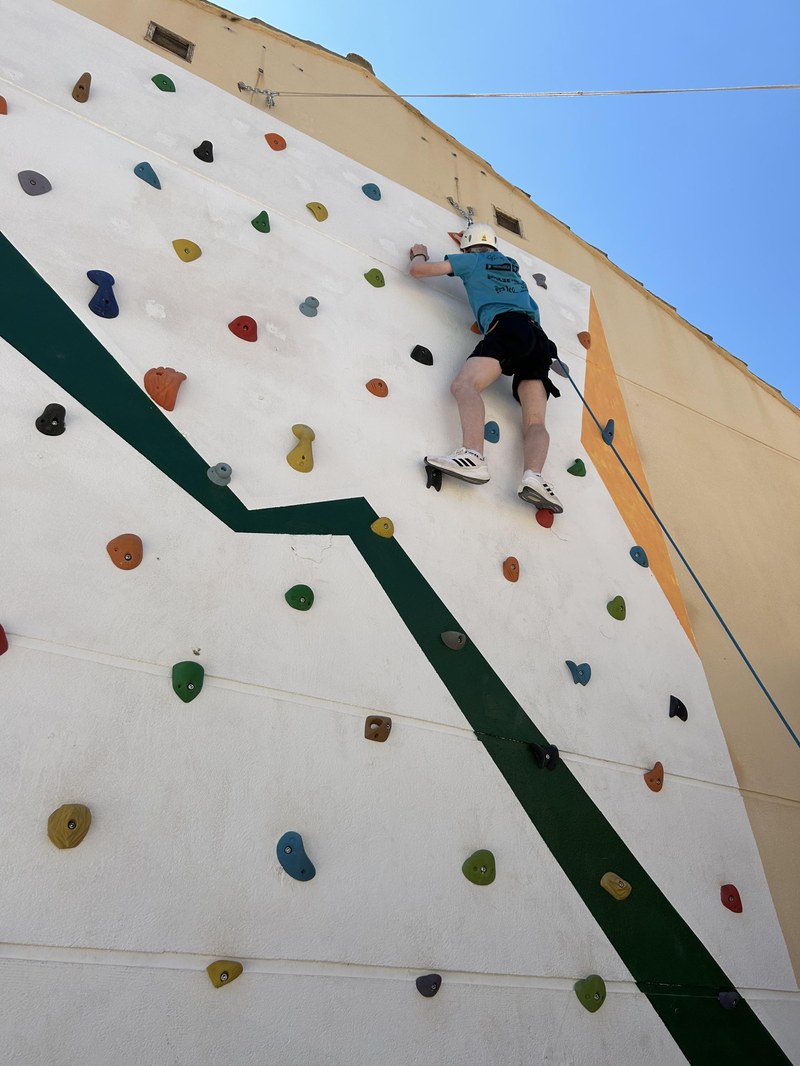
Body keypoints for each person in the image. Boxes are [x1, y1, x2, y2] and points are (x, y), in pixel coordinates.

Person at [409, 222, 563, 513]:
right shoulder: (511, 268)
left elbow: (418, 272)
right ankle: (534, 478)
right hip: (539, 340)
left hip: (505, 328)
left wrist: (419, 254)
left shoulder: (471, 261)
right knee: (535, 422)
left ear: (467, 247)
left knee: (464, 385)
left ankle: (473, 456)